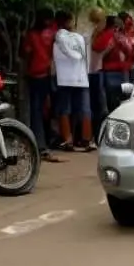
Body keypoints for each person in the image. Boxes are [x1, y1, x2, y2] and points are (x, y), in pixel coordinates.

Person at [20, 8, 62, 162]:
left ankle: (38, 143)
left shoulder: (31, 34)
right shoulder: (52, 34)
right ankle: (43, 143)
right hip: (47, 73)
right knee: (45, 109)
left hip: (34, 74)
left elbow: (26, 52)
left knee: (36, 110)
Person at [52, 12, 93, 152]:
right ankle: (86, 140)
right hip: (81, 77)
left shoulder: (58, 36)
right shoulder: (79, 38)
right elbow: (85, 58)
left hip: (64, 78)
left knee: (64, 109)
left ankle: (67, 141)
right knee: (84, 109)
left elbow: (61, 53)